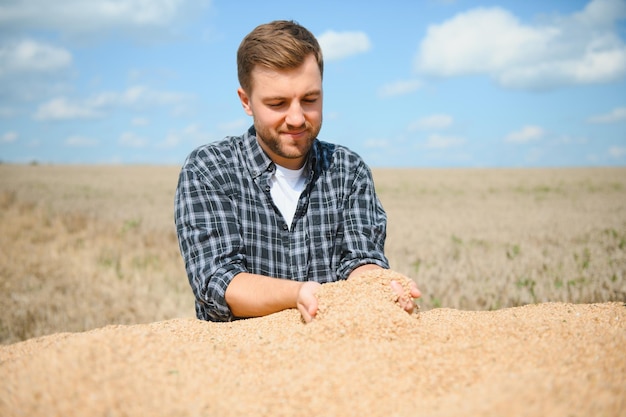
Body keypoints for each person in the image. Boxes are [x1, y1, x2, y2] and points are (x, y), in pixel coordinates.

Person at [174, 20, 420, 323]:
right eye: (277, 103)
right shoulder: (209, 168)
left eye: (310, 100)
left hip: (333, 356)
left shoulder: (349, 171)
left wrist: (378, 286)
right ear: (246, 101)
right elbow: (217, 282)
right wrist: (298, 294)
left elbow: (360, 259)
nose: (296, 118)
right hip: (237, 359)